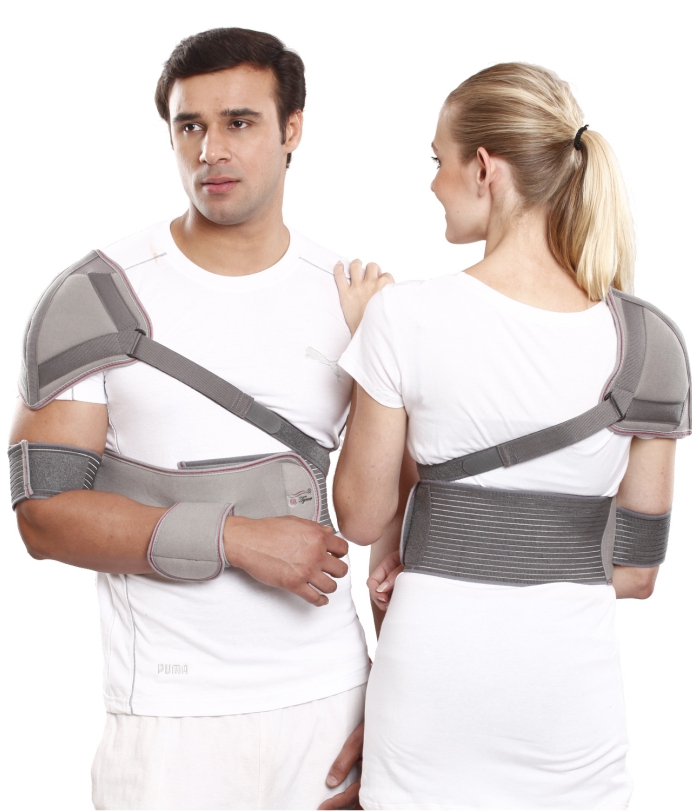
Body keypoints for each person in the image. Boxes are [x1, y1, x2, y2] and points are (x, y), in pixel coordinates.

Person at [9, 27, 390, 811]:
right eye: (190, 126)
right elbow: (44, 517)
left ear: (292, 129)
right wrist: (236, 538)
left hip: (333, 702)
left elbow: (397, 524)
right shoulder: (102, 297)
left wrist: (398, 701)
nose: (211, 150)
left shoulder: (352, 297)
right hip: (170, 716)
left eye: (239, 122)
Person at [334, 62, 688, 810]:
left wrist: (366, 340)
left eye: (438, 159)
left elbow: (362, 517)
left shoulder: (402, 317)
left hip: (431, 692)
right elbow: (636, 572)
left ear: (484, 168)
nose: (433, 182)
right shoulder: (648, 341)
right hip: (569, 709)